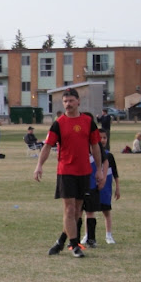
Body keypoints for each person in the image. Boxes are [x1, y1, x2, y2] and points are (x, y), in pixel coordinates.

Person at [33, 88, 104, 258]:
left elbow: (95, 146)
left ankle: (61, 241)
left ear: (78, 102)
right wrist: (39, 165)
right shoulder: (58, 123)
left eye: (71, 101)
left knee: (77, 210)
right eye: (65, 101)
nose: (68, 104)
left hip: (84, 171)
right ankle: (74, 245)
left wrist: (99, 169)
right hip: (66, 171)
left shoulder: (88, 122)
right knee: (69, 208)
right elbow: (47, 146)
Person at [98, 129, 120, 244]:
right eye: (100, 137)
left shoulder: (109, 156)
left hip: (106, 188)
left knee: (106, 211)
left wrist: (117, 188)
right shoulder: (91, 154)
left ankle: (108, 235)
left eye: (104, 138)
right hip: (94, 187)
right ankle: (87, 235)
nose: (102, 140)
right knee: (89, 212)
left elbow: (115, 173)